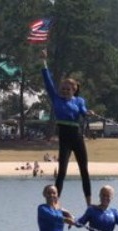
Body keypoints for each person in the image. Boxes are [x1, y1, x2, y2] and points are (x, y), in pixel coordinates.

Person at [41, 49, 93, 206]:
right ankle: (55, 203)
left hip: (77, 136)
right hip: (64, 138)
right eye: (63, 88)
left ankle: (89, 203)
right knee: (62, 171)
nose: (64, 91)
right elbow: (47, 80)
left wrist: (88, 113)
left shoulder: (79, 101)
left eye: (68, 89)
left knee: (84, 170)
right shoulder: (56, 98)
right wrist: (43, 61)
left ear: (74, 89)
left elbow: (83, 112)